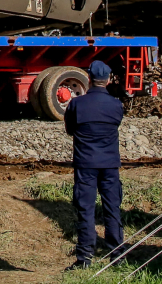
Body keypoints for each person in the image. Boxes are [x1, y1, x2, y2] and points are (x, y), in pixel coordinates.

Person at [63, 60, 126, 271]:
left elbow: (70, 129)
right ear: (108, 80)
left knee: (86, 210)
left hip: (85, 164)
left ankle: (84, 258)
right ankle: (116, 255)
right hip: (110, 165)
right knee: (112, 209)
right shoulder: (116, 105)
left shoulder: (76, 104)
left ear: (88, 79)